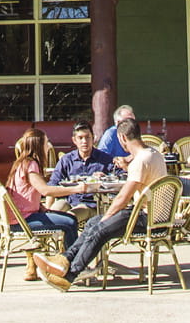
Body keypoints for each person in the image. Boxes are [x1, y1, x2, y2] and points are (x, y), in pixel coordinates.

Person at [41, 115, 167, 292]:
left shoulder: (140, 161)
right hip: (154, 215)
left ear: (123, 138)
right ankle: (65, 259)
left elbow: (123, 198)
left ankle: (69, 275)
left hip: (146, 218)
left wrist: (107, 218)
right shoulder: (153, 154)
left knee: (100, 229)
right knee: (92, 223)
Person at [5, 126, 79, 279]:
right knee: (70, 222)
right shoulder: (31, 165)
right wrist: (76, 189)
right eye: (46, 143)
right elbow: (45, 190)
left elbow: (25, 194)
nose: (48, 146)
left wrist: (41, 207)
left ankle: (63, 262)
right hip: (24, 221)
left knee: (65, 218)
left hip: (20, 217)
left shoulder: (20, 163)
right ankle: (72, 267)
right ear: (39, 146)